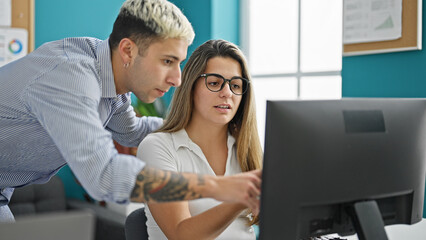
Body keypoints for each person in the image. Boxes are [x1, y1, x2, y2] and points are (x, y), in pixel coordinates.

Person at [0, 0, 261, 223]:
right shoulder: (70, 77)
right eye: (167, 61)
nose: (177, 79)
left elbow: (133, 132)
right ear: (128, 50)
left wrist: (199, 126)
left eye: (179, 63)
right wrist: (215, 187)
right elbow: (104, 176)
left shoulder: (112, 86)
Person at [137, 39, 263, 240]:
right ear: (191, 87)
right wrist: (241, 197)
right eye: (214, 83)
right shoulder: (157, 147)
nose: (227, 93)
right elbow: (181, 234)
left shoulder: (246, 151)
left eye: (236, 86)